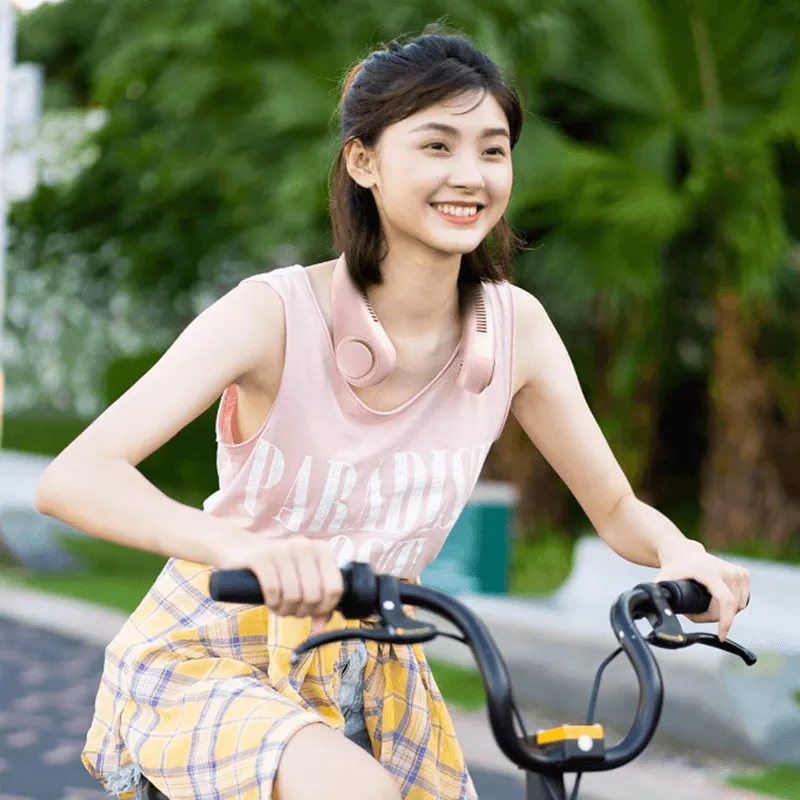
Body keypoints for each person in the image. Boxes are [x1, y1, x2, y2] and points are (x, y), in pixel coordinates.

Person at [35, 29, 751, 800]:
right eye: (436, 146)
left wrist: (680, 551)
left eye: (493, 150)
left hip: (379, 666)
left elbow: (612, 506)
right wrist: (246, 550)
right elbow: (76, 478)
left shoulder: (518, 330)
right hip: (219, 650)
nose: (469, 176)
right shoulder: (272, 315)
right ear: (363, 161)